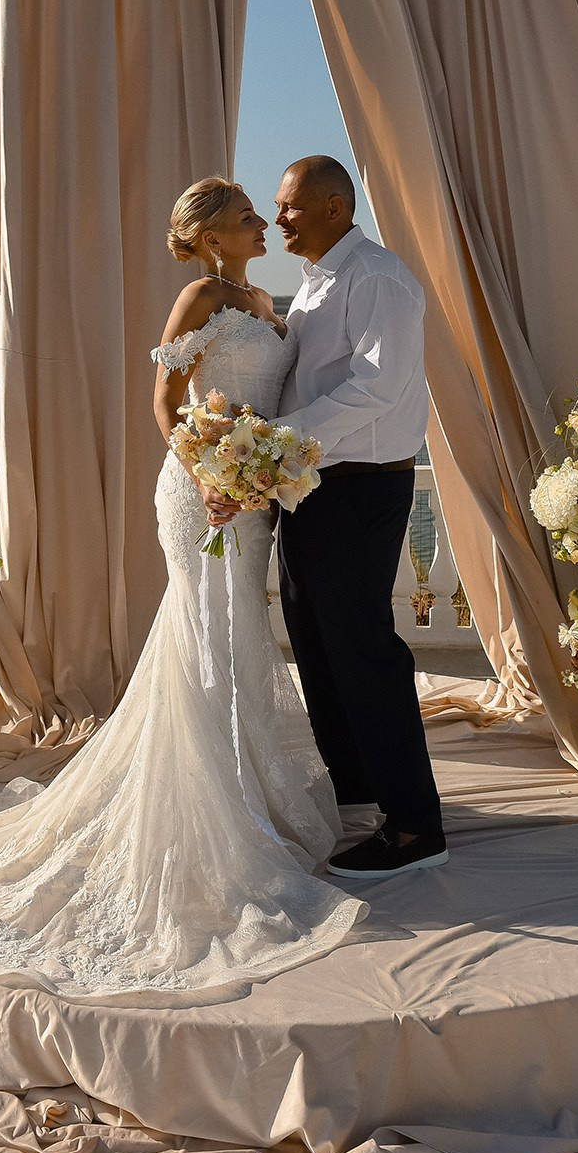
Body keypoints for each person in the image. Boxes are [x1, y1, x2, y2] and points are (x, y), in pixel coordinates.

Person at [0, 177, 366, 999]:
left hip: (252, 493)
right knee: (207, 631)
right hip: (202, 492)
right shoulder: (199, 294)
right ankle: (208, 821)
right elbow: (165, 402)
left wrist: (256, 471)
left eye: (264, 215)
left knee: (237, 636)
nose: (263, 222)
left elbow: (278, 397)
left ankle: (243, 795)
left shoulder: (264, 295)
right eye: (245, 217)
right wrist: (211, 471)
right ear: (207, 233)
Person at [227, 155, 446, 880]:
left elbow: (379, 388)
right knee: (315, 638)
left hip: (359, 485)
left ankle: (414, 825)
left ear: (330, 206)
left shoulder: (377, 277)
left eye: (287, 207)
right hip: (313, 482)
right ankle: (355, 782)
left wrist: (277, 444)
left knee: (361, 649)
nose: (276, 218)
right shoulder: (318, 283)